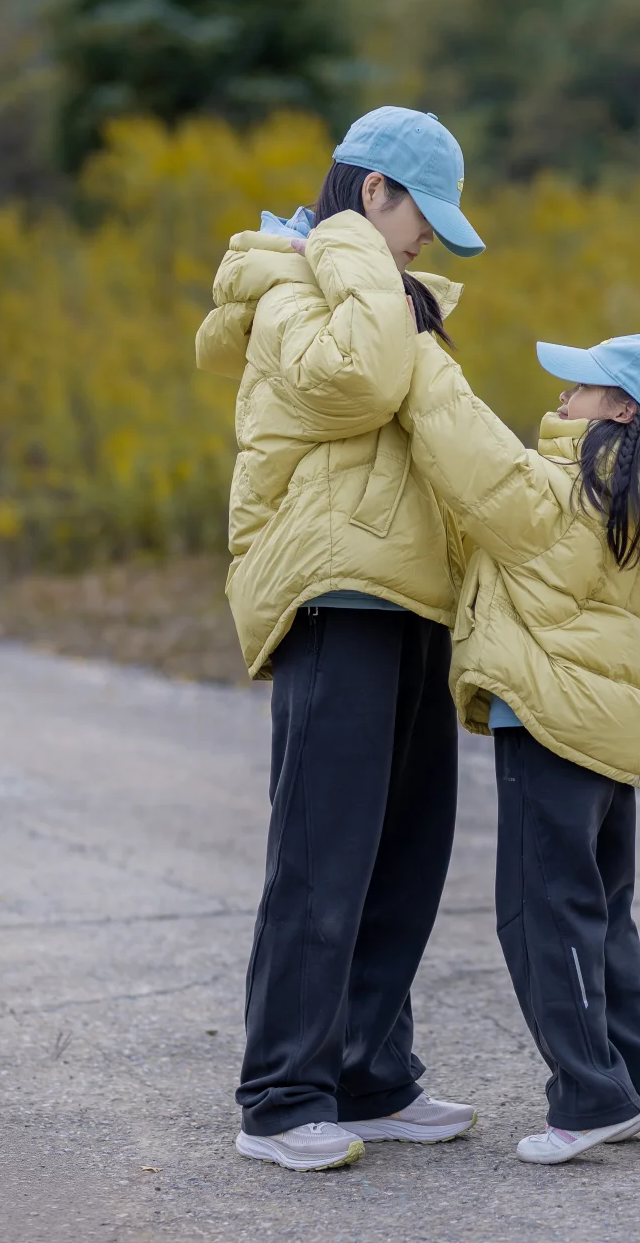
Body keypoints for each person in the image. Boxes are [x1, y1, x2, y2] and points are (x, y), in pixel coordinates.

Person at [195, 107, 484, 1172]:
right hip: (334, 593)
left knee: (405, 854)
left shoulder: (376, 291)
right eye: (416, 219)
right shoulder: (288, 284)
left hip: (410, 594)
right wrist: (353, 253)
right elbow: (360, 382)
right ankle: (281, 1097)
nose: (425, 243)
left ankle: (369, 1074)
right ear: (372, 193)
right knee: (322, 859)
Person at [397, 329, 640, 1164]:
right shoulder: (637, 498)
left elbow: (462, 443)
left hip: (548, 720)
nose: (560, 399)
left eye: (578, 387)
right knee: (597, 910)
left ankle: (589, 1095)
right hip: (603, 729)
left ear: (621, 410)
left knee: (540, 916)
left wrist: (411, 340)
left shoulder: (568, 495)